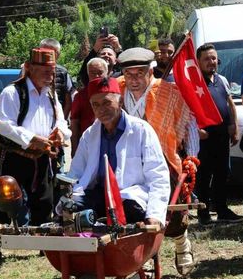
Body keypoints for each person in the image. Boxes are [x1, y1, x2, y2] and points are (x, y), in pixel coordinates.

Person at [0, 48, 71, 265]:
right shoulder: (13, 92)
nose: (49, 74)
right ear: (29, 67)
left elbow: (61, 119)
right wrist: (33, 139)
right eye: (44, 69)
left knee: (44, 201)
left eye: (51, 70)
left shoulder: (50, 94)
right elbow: (5, 126)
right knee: (3, 202)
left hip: (42, 157)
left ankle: (44, 248)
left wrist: (60, 132)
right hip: (14, 156)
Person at [117, 47, 198, 276]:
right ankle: (144, 259)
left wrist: (191, 157)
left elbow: (190, 124)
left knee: (170, 211)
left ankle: (182, 244)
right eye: (128, 74)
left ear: (150, 71)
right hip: (128, 162)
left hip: (163, 159)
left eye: (139, 73)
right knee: (135, 210)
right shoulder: (117, 91)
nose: (133, 80)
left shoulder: (168, 91)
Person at [68, 77, 170, 227]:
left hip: (130, 196)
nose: (101, 110)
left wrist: (155, 214)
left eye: (107, 103)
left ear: (120, 102)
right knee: (73, 210)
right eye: (95, 105)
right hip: (99, 195)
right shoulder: (90, 135)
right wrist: (68, 199)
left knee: (129, 208)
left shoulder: (141, 130)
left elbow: (158, 175)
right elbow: (76, 173)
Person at [195, 43, 243, 224]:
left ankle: (222, 210)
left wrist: (234, 126)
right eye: (206, 59)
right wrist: (195, 131)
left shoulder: (222, 79)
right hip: (202, 138)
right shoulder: (193, 83)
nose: (211, 62)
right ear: (198, 61)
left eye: (213, 58)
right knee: (203, 176)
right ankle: (203, 214)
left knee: (222, 173)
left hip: (222, 136)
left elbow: (230, 103)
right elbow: (186, 110)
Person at [70, 57, 108, 155]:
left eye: (100, 72)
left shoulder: (114, 94)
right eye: (92, 73)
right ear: (87, 74)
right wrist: (75, 151)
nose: (96, 76)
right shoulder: (80, 96)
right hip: (87, 146)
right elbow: (74, 124)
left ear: (106, 73)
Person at [40, 38, 74, 118]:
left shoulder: (63, 72)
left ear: (57, 54)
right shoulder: (30, 70)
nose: (47, 55)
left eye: (50, 53)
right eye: (44, 52)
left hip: (57, 118)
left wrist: (61, 121)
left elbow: (68, 101)